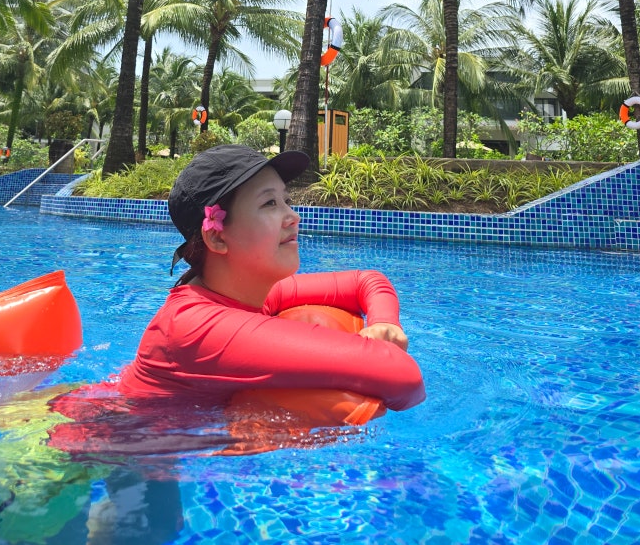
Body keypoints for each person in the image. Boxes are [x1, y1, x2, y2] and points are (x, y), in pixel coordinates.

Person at [118, 144, 425, 412]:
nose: (293, 217)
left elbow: (367, 281)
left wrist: (386, 324)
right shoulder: (195, 327)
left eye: (286, 200)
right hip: (105, 448)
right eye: (269, 203)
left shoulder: (250, 292)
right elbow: (402, 376)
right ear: (217, 238)